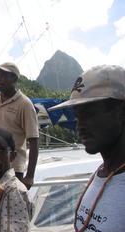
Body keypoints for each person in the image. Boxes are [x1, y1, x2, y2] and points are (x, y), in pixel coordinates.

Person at [49, 65, 125, 232]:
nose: (79, 126)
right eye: (77, 116)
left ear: (122, 111)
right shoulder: (100, 174)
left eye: (89, 113)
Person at [0, 62, 39, 189]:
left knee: (11, 206)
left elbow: (34, 141)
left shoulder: (25, 104)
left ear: (14, 78)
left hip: (13, 169)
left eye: (3, 76)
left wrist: (30, 176)